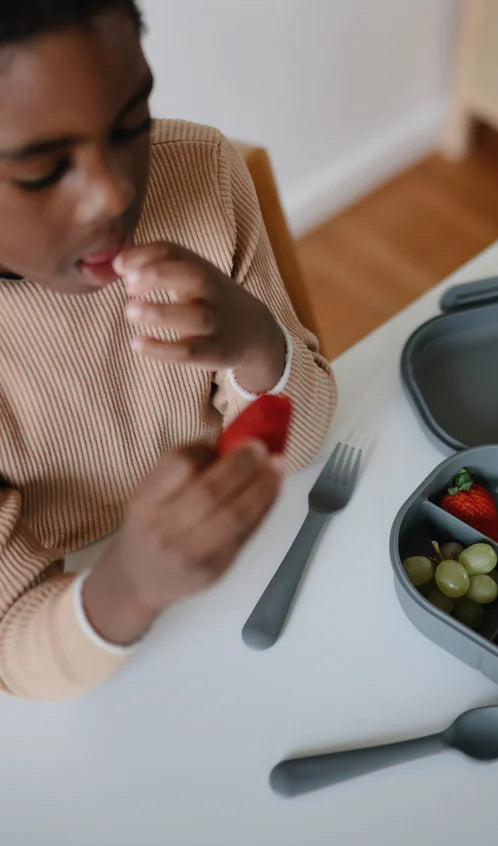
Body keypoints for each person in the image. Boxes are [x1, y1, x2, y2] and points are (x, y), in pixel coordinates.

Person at [0, 0, 337, 700]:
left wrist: (254, 341)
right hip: (88, 647)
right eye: (42, 170)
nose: (113, 192)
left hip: (253, 581)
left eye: (131, 127)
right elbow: (13, 649)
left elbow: (301, 446)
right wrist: (128, 585)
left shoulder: (202, 177)